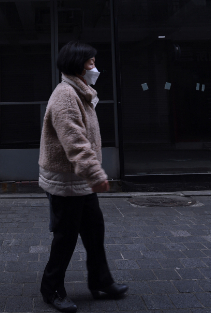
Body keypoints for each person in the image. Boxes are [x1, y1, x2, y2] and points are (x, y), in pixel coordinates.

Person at [38, 41, 128, 313]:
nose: (94, 67)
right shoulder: (66, 95)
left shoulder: (80, 91)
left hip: (80, 181)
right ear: (78, 65)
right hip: (67, 182)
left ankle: (101, 281)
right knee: (65, 237)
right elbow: (75, 141)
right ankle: (51, 288)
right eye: (91, 62)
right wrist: (95, 173)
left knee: (94, 231)